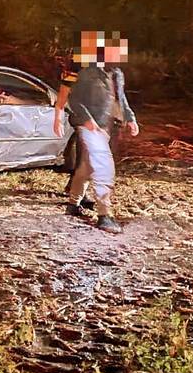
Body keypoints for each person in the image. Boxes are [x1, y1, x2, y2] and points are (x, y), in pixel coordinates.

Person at [53, 30, 139, 234]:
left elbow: (120, 99)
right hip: (90, 126)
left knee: (87, 166)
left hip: (109, 126)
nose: (119, 56)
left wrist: (130, 118)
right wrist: (87, 121)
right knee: (102, 167)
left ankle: (73, 204)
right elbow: (73, 99)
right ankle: (104, 215)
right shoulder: (87, 73)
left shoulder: (117, 74)